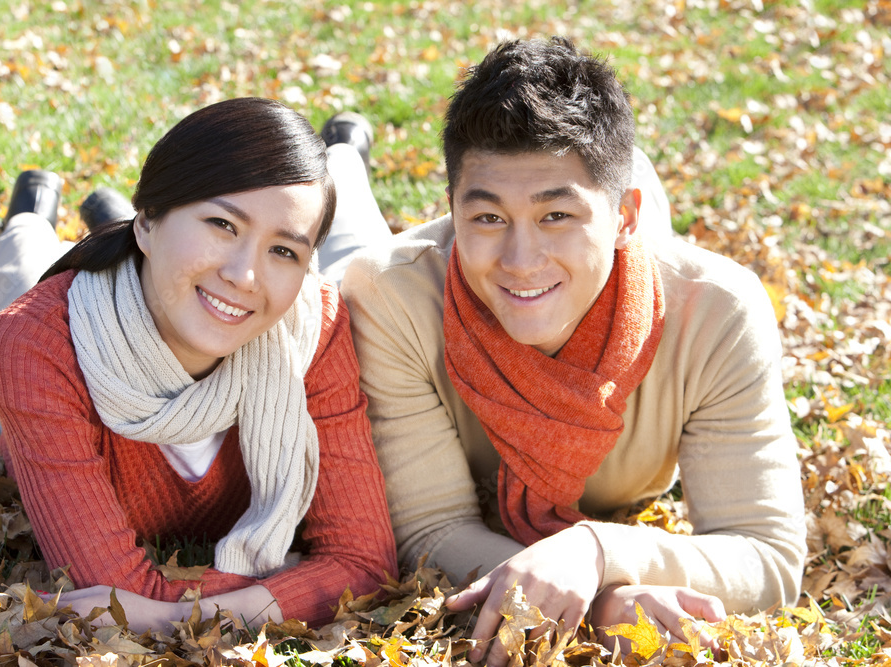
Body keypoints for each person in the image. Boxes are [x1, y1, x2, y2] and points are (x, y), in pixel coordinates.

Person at [340, 37, 805, 663]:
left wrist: (597, 552)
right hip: (376, 266)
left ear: (623, 218)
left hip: (634, 253)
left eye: (556, 215)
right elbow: (430, 529)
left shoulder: (717, 311)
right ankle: (343, 154)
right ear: (451, 210)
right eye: (487, 218)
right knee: (341, 232)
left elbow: (768, 555)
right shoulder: (390, 296)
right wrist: (598, 602)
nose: (519, 260)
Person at [0, 98, 397, 631]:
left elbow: (363, 566)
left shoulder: (310, 327)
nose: (246, 275)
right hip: (77, 323)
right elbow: (114, 592)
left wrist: (167, 613)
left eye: (285, 251)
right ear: (147, 220)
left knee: (362, 257)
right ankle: (30, 216)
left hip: (169, 275)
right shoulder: (37, 344)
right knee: (20, 272)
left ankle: (345, 154)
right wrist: (291, 586)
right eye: (222, 223)